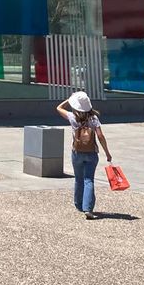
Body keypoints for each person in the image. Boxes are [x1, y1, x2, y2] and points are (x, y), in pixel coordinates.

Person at [55, 91, 112, 220]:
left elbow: (58, 108)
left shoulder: (72, 116)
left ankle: (79, 205)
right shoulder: (94, 118)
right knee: (89, 179)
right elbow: (100, 136)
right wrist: (107, 153)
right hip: (91, 152)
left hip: (77, 152)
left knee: (78, 179)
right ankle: (88, 208)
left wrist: (69, 100)